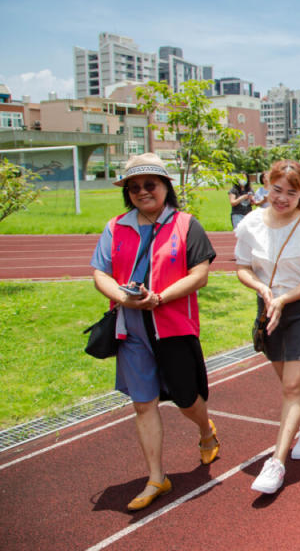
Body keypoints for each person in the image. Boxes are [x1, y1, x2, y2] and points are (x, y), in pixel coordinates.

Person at [90, 152, 219, 511]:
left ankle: (206, 430)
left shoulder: (186, 224)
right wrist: (122, 297)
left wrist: (159, 298)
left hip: (173, 326)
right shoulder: (116, 227)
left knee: (185, 398)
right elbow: (100, 271)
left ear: (166, 187)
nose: (142, 192)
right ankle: (156, 477)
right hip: (130, 330)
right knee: (143, 404)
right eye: (134, 187)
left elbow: (199, 274)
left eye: (150, 184)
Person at [235, 160, 300, 494]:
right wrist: (264, 291)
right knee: (288, 382)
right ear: (267, 183)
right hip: (268, 308)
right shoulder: (251, 223)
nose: (281, 198)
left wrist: (283, 299)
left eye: (291, 193)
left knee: (292, 387)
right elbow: (243, 267)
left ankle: (276, 462)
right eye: (276, 189)